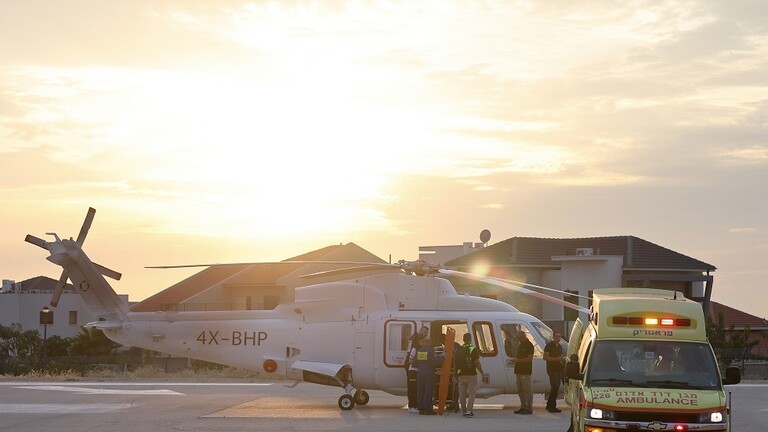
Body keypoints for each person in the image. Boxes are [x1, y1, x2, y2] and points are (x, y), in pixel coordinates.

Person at [455, 333, 484, 417]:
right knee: (472, 393)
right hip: (471, 374)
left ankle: (464, 411)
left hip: (461, 375)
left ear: (463, 339)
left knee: (462, 394)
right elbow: (477, 362)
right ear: (470, 339)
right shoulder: (473, 349)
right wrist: (482, 373)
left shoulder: (458, 350)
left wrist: (455, 375)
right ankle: (469, 410)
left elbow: (455, 364)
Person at [415, 336, 443, 415]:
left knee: (420, 391)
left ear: (424, 342)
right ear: (430, 342)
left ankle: (421, 409)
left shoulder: (419, 350)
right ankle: (427, 409)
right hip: (429, 374)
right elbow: (434, 362)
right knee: (428, 391)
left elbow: (414, 363)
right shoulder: (430, 351)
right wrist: (442, 357)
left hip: (420, 374)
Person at [406, 326, 429, 413]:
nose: (426, 334)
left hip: (416, 370)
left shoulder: (418, 347)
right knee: (412, 388)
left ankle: (415, 405)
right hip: (413, 370)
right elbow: (410, 359)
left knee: (415, 388)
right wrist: (418, 363)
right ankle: (411, 406)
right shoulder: (415, 348)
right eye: (425, 332)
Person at [543, 331, 564, 413]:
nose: (558, 338)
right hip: (552, 369)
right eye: (557, 336)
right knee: (554, 386)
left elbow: (560, 357)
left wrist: (562, 360)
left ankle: (550, 404)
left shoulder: (560, 347)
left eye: (559, 336)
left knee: (557, 387)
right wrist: (556, 359)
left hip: (558, 369)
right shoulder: (549, 346)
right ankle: (551, 406)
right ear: (553, 337)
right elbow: (545, 357)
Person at [514, 330, 534, 414]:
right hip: (518, 370)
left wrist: (518, 360)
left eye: (519, 338)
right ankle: (523, 406)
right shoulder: (520, 345)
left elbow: (530, 359)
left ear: (523, 336)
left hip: (525, 371)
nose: (518, 339)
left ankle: (529, 407)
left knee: (527, 390)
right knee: (520, 390)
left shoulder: (529, 345)